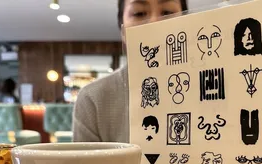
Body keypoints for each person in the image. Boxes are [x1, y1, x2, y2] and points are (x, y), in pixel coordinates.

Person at [73, 0, 188, 142]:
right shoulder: (92, 99)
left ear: (187, 20)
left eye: (167, 12)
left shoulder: (213, 88)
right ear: (123, 31)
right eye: (139, 13)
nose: (154, 23)